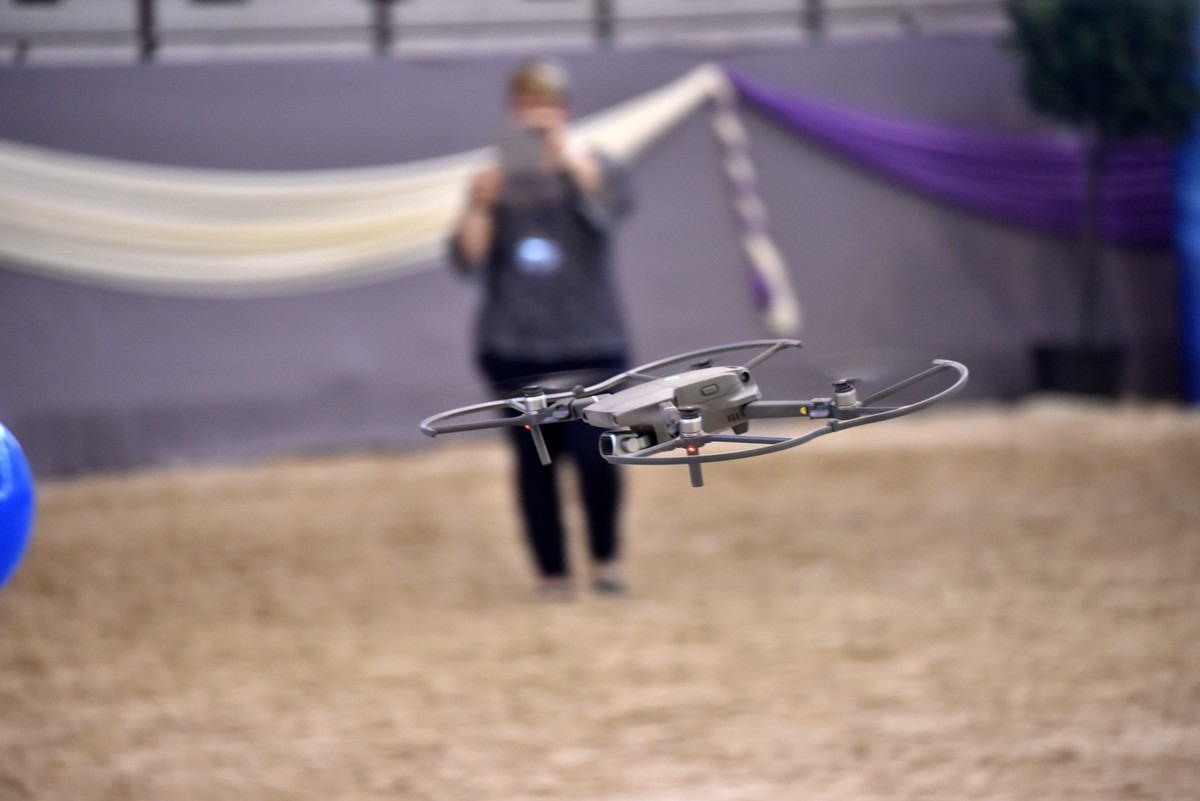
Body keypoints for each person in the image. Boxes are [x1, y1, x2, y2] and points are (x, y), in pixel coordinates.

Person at [448, 59, 635, 601]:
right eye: (527, 106)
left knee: (598, 456)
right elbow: (467, 259)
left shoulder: (591, 164)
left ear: (565, 110)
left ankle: (605, 562)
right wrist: (480, 205)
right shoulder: (492, 179)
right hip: (515, 347)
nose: (536, 117)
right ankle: (552, 573)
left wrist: (571, 162)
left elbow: (613, 209)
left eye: (546, 105)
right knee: (536, 462)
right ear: (512, 112)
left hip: (591, 344)